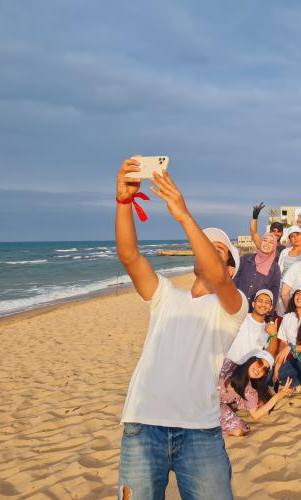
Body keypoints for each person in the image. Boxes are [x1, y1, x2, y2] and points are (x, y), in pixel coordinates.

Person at [115, 159, 245, 498]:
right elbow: (129, 256)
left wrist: (185, 216)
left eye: (220, 252)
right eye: (203, 245)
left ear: (231, 269)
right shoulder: (166, 296)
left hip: (200, 433)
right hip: (143, 425)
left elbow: (216, 276)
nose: (210, 254)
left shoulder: (232, 307)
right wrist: (123, 202)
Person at [218, 350, 293, 437]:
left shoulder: (249, 389)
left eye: (265, 370)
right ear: (252, 360)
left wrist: (277, 397)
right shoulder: (228, 364)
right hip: (200, 393)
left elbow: (256, 415)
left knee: (238, 431)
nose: (260, 369)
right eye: (260, 363)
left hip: (215, 405)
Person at [226, 289, 278, 364]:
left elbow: (269, 355)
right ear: (253, 304)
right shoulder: (241, 316)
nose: (263, 304)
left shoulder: (269, 329)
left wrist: (274, 334)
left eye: (267, 302)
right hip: (228, 362)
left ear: (270, 307)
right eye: (260, 301)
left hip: (246, 370)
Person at [233, 232, 282, 311]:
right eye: (265, 240)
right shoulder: (246, 258)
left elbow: (274, 294)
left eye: (271, 242)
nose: (267, 244)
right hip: (238, 307)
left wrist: (270, 317)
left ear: (274, 247)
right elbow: (235, 280)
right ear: (261, 242)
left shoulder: (275, 269)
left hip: (257, 313)